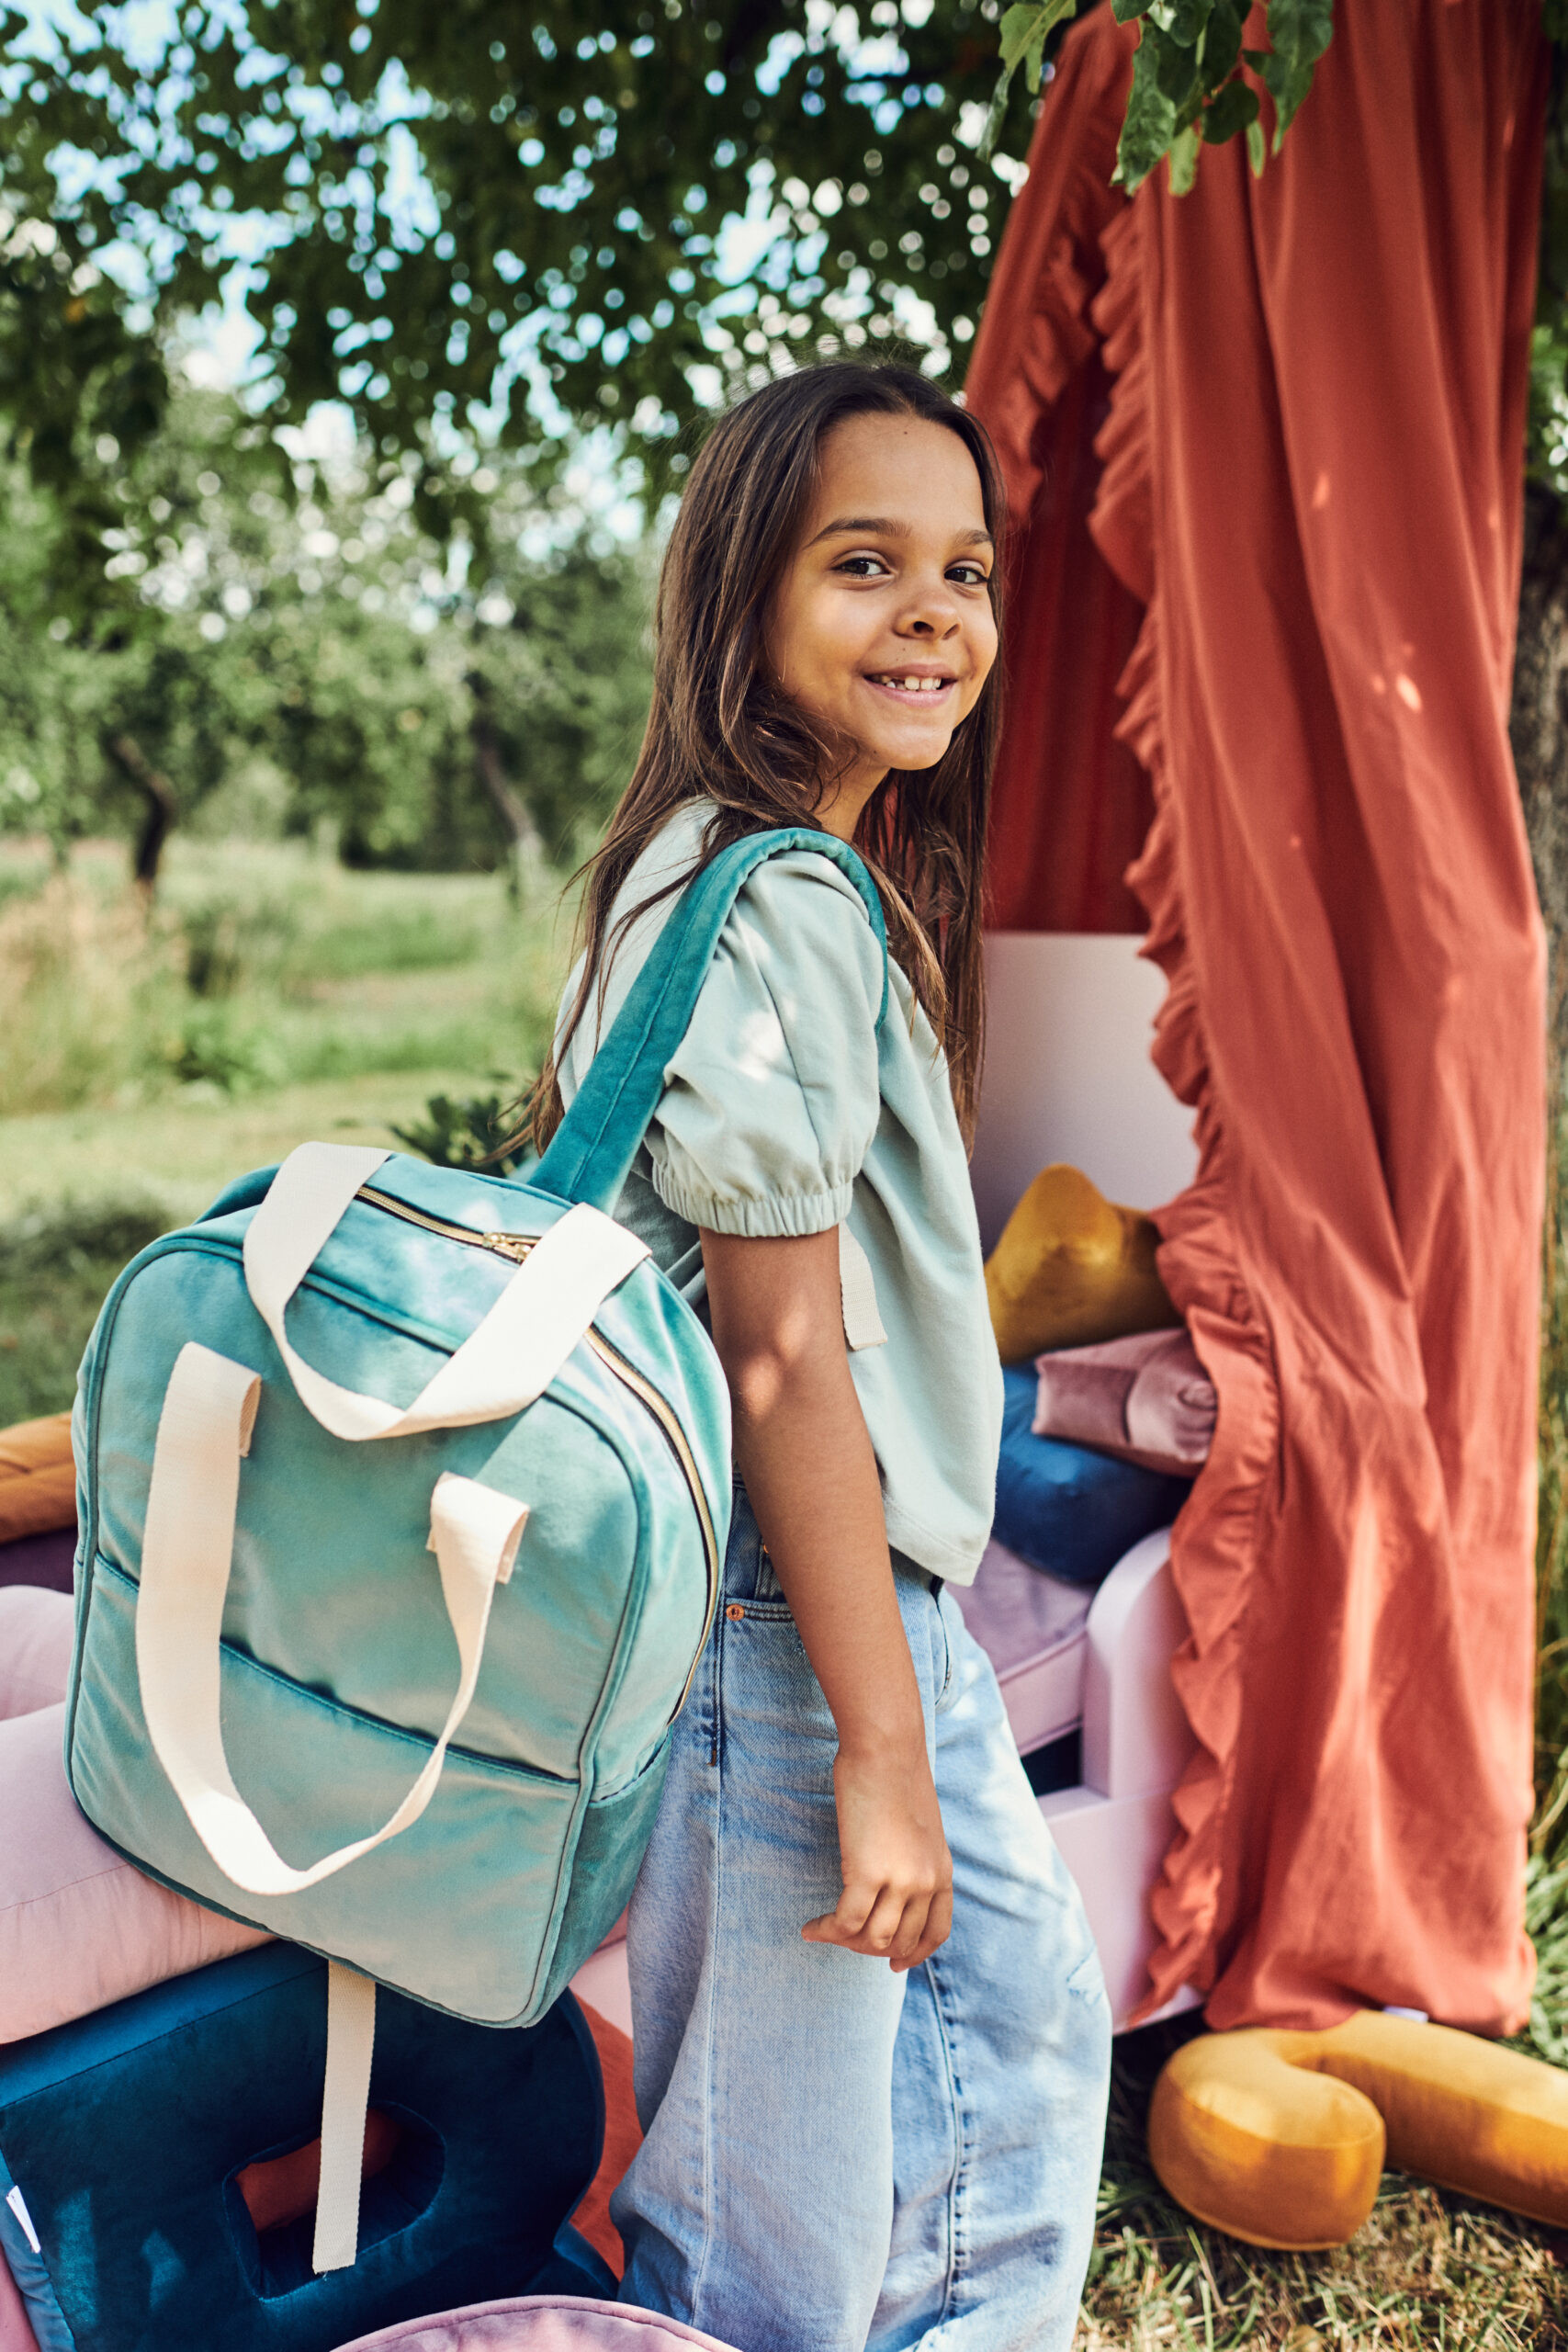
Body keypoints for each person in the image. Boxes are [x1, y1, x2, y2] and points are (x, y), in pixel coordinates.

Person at [528, 361, 1111, 2352]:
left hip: (836, 1609)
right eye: (863, 565)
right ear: (740, 601)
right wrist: (877, 1745)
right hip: (800, 1621)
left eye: (962, 568)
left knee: (1004, 2063)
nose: (933, 611)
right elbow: (774, 1359)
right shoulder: (772, 893)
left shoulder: (760, 873)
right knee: (787, 2201)